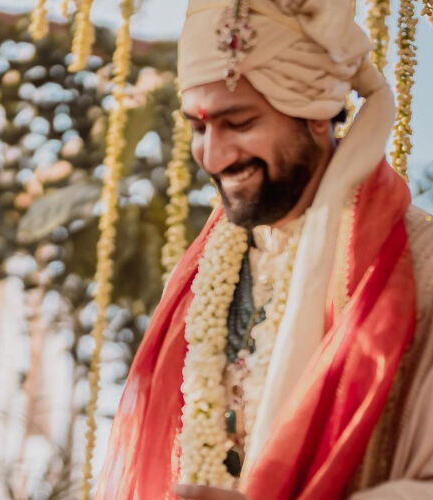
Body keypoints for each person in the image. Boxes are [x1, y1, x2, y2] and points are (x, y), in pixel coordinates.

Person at [96, 1, 433, 499]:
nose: (212, 154)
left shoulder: (419, 264)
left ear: (316, 115)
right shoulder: (200, 277)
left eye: (240, 122)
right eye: (198, 127)